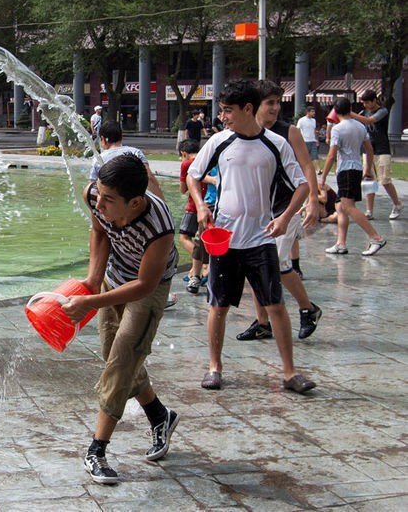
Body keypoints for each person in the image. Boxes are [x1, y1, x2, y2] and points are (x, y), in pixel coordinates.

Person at [186, 79, 315, 394]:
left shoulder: (275, 143)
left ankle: (289, 373)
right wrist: (202, 207)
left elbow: (302, 185)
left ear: (247, 109)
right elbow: (192, 174)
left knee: (276, 306)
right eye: (222, 110)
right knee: (218, 305)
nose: (223, 117)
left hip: (261, 238)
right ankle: (215, 367)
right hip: (225, 239)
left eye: (228, 111)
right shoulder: (220, 142)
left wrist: (285, 218)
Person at [60, 154, 179, 485]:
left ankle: (96, 449)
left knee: (122, 361)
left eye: (110, 200)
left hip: (147, 288)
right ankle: (160, 415)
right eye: (99, 194)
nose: (100, 204)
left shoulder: (160, 229)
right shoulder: (98, 197)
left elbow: (145, 285)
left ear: (136, 202)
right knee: (114, 353)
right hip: (114, 277)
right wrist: (94, 278)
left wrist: (91, 302)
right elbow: (99, 230)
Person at [236, 80, 323, 342]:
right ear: (253, 107)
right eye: (270, 103)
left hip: (287, 208)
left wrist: (314, 201)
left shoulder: (290, 132)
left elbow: (307, 167)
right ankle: (263, 323)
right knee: (255, 265)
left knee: (279, 265)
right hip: (257, 211)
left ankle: (308, 309)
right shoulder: (246, 132)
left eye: (277, 102)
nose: (275, 108)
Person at [319, 97, 387, 256]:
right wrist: (368, 169)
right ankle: (340, 244)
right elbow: (369, 150)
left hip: (346, 171)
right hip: (355, 169)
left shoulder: (337, 129)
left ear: (335, 111)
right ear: (350, 108)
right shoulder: (360, 126)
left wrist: (323, 177)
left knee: (348, 207)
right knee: (340, 207)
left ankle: (376, 237)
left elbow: (331, 155)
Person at [351, 90, 402, 219]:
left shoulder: (383, 111)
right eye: (364, 103)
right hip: (369, 150)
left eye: (368, 102)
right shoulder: (364, 112)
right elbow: (358, 121)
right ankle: (369, 211)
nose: (366, 105)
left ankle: (397, 204)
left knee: (385, 180)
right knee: (369, 179)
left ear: (375, 100)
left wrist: (350, 113)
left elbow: (369, 121)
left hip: (382, 149)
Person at [89, 121, 164, 199]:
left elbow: (92, 189)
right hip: (135, 202)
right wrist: (163, 203)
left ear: (103, 139)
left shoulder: (98, 159)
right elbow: (150, 178)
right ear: (122, 137)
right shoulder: (135, 152)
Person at [177, 140, 208, 295]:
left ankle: (202, 265)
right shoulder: (208, 160)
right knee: (202, 239)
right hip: (208, 205)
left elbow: (183, 189)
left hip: (194, 207)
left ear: (183, 153)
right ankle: (196, 268)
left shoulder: (187, 164)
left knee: (184, 237)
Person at [297, 105, 322, 174]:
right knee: (305, 156)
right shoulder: (301, 120)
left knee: (315, 155)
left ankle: (318, 169)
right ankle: (302, 168)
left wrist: (316, 139)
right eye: (312, 111)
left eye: (314, 111)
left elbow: (314, 130)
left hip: (312, 140)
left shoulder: (313, 120)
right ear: (308, 112)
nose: (313, 113)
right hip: (305, 140)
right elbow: (298, 129)